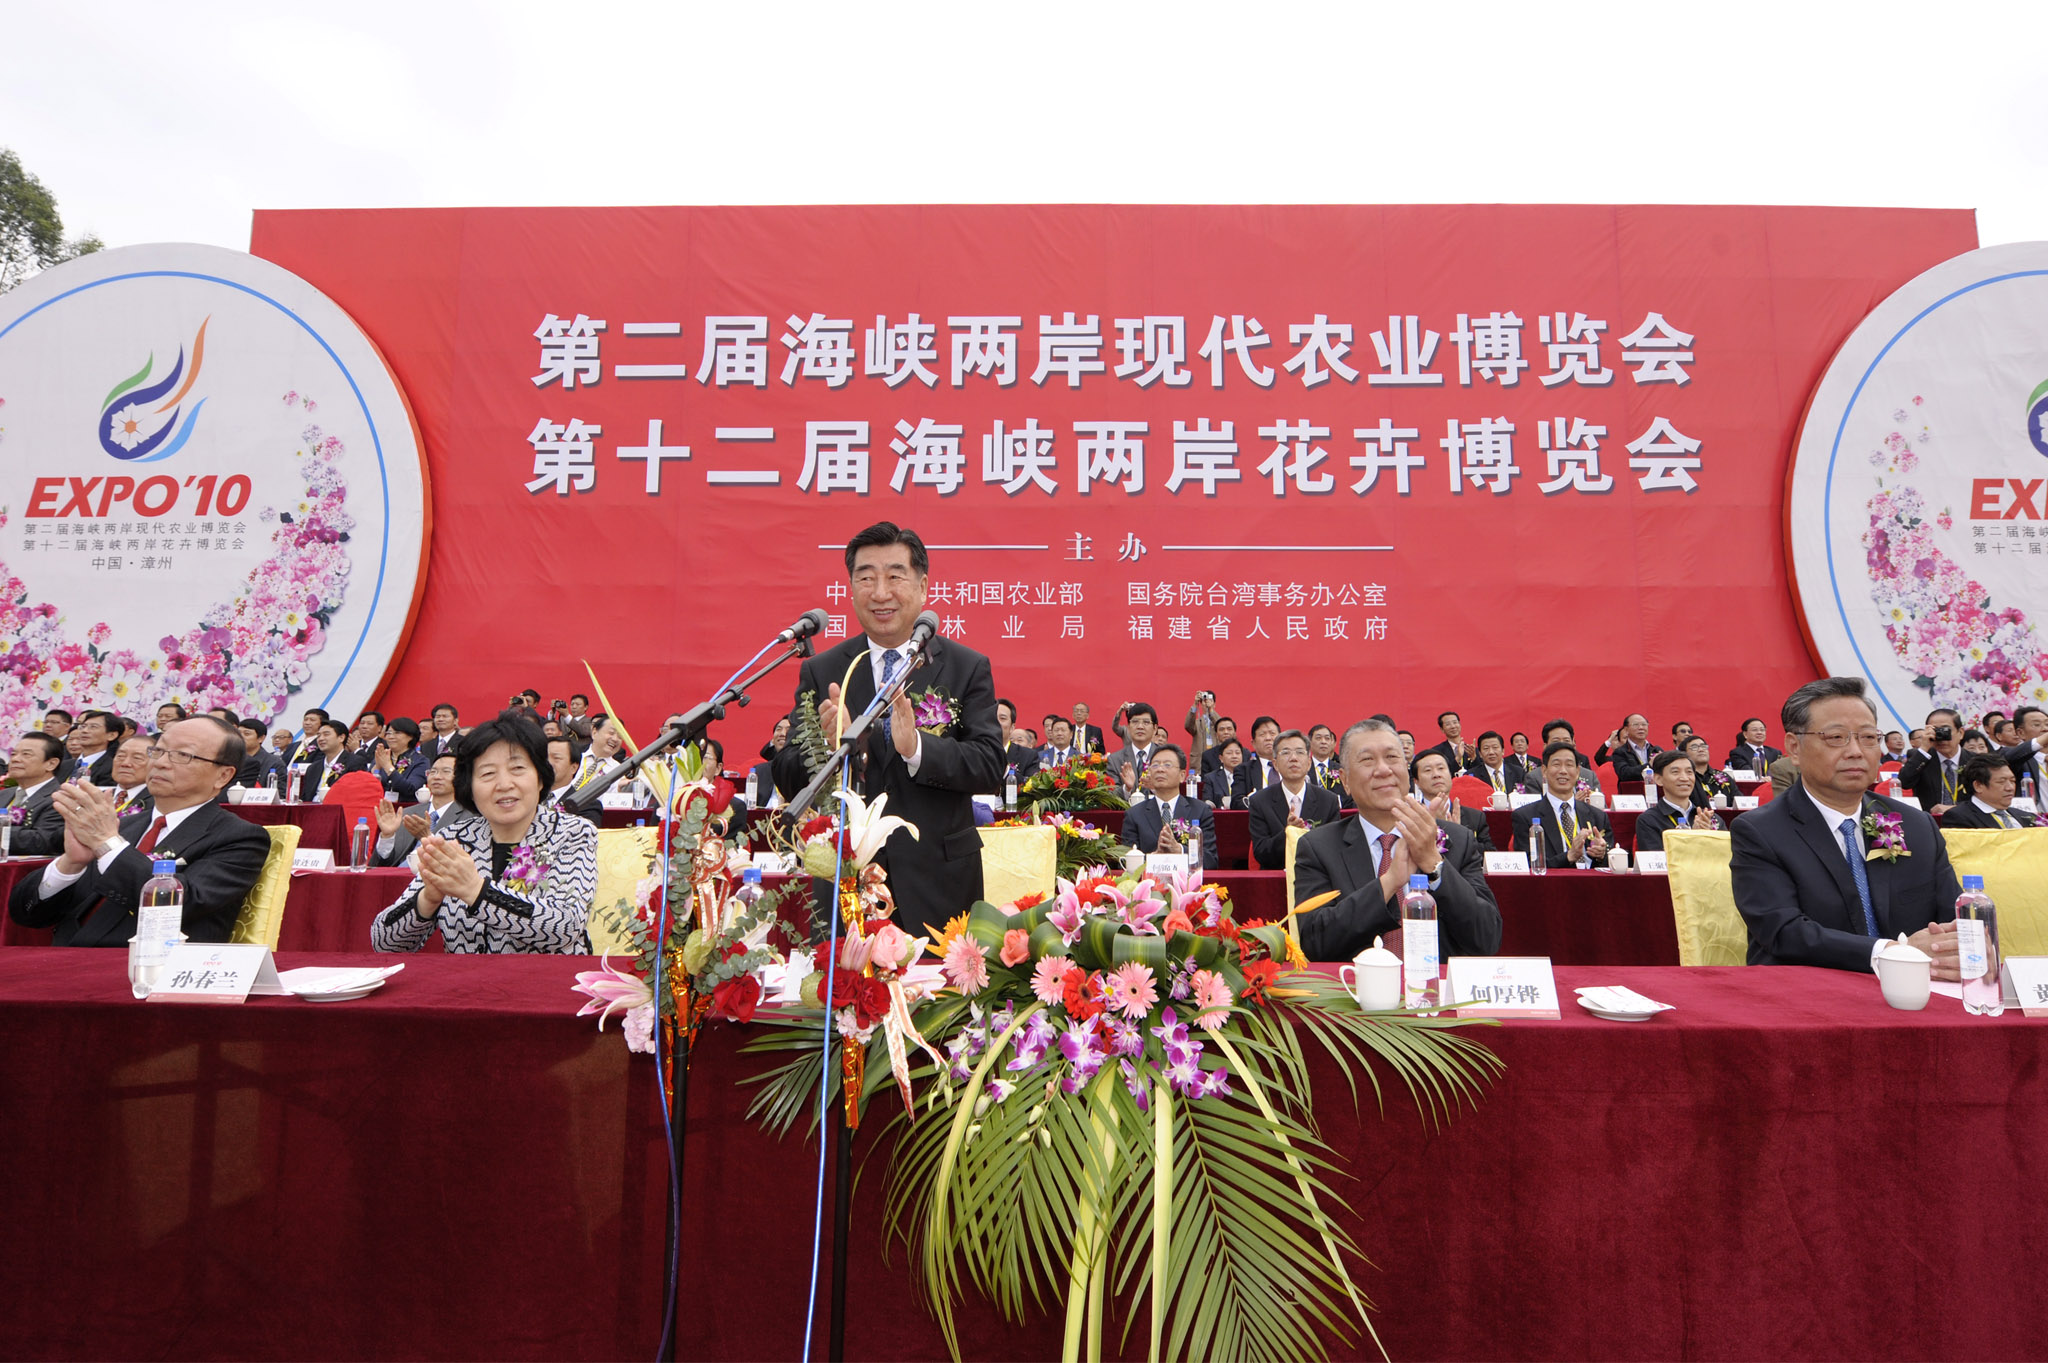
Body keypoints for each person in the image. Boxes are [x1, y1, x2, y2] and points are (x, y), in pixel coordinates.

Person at [771, 522, 1004, 938]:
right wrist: (825, 745)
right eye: (866, 578)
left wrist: (917, 748)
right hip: (845, 884)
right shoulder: (823, 669)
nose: (880, 593)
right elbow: (787, 774)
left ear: (923, 586)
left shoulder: (966, 666)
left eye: (895, 576)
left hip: (939, 884)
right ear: (851, 588)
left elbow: (989, 765)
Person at [1732, 677, 1961, 976]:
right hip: (1808, 991)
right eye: (1836, 737)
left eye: (1868, 737)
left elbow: (1954, 919)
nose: (1856, 751)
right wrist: (1893, 953)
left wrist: (1966, 945)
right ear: (1794, 748)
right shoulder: (1760, 831)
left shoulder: (1917, 825)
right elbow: (1784, 932)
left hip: (1913, 991)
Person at [9, 717, 272, 947]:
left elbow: (181, 904)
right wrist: (70, 864)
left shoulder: (239, 837)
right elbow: (27, 915)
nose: (161, 763)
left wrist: (107, 844)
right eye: (158, 751)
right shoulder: (123, 826)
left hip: (147, 969)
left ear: (223, 775)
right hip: (64, 960)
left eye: (183, 755)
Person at [370, 712, 598, 953]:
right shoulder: (452, 838)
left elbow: (566, 926)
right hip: (466, 977)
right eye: (488, 774)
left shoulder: (573, 832)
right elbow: (383, 943)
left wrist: (476, 891)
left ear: (541, 778)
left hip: (547, 976)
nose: (504, 784)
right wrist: (428, 899)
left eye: (517, 769)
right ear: (469, 787)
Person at [1293, 718, 1500, 962]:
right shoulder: (1319, 847)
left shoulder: (1457, 839)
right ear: (1345, 781)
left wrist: (1434, 865)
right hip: (1358, 983)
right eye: (1367, 760)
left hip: (1438, 983)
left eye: (1392, 757)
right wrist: (1389, 883)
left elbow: (1487, 939)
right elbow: (1315, 943)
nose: (1383, 770)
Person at [1248, 729, 1343, 869]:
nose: (1293, 758)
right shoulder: (1259, 801)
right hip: (1277, 875)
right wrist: (1288, 833)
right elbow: (1261, 853)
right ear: (1275, 764)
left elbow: (1333, 849)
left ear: (1309, 763)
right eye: (1286, 752)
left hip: (1316, 875)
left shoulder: (1328, 801)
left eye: (1299, 752)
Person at [1510, 741, 1614, 869]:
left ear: (1577, 771)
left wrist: (1601, 855)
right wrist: (1568, 856)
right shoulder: (1526, 817)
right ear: (1544, 771)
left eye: (1569, 765)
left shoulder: (1598, 816)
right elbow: (1527, 863)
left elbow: (1611, 861)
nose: (1563, 771)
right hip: (1552, 881)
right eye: (1556, 764)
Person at [1120, 745, 1220, 869]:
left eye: (1167, 765)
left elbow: (1211, 861)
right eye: (1155, 765)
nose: (1160, 769)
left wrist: (1179, 850)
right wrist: (1155, 858)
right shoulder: (1134, 814)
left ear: (1182, 775)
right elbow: (1125, 862)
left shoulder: (1200, 811)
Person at [372, 751, 461, 868]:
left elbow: (459, 865)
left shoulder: (470, 817)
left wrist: (428, 837)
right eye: (433, 772)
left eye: (446, 772)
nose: (437, 777)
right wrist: (387, 836)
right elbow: (381, 865)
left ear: (462, 777)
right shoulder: (407, 814)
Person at [1633, 750, 1723, 853]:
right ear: (1658, 779)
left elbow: (1725, 855)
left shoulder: (1709, 817)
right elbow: (1657, 860)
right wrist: (1694, 837)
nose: (1684, 778)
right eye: (1675, 772)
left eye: (1689, 772)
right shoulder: (1649, 820)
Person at [1409, 750, 1493, 851]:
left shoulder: (1475, 818)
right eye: (1428, 770)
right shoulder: (1410, 817)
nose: (1436, 774)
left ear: (1450, 774)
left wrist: (1457, 833)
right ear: (1416, 781)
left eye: (1441, 768)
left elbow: (1488, 854)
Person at [2, 732, 69, 857]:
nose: (15, 759)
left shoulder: (60, 798)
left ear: (51, 764)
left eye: (26, 754)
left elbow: (43, 840)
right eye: (13, 754)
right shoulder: (4, 794)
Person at [1897, 707, 1967, 816]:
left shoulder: (1974, 760)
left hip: (1966, 821)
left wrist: (1955, 809)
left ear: (1961, 733)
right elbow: (1904, 782)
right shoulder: (1922, 757)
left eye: (1945, 730)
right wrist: (1924, 748)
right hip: (1929, 820)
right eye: (1936, 731)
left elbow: (1986, 799)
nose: (1941, 737)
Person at [1939, 754, 2037, 829]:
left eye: (2012, 781)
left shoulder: (2026, 816)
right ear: (1978, 786)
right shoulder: (1959, 817)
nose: (2010, 787)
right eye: (2001, 782)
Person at [1105, 703, 1164, 790]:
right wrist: (1126, 789)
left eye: (1146, 722)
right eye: (1135, 722)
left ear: (1155, 729)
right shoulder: (1115, 760)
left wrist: (1155, 788)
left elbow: (1173, 790)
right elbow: (1111, 794)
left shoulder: (1165, 756)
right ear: (1128, 727)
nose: (1140, 727)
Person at [372, 717, 429, 803]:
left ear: (410, 736)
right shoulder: (383, 756)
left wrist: (388, 767)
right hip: (379, 805)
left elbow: (411, 789)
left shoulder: (420, 761)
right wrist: (377, 767)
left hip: (405, 808)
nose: (391, 737)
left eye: (397, 733)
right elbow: (366, 785)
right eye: (388, 733)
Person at [1595, 713, 1660, 785]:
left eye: (1644, 724)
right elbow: (1625, 774)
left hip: (1655, 790)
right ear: (1626, 729)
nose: (1641, 727)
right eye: (1636, 725)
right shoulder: (1620, 752)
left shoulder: (1656, 750)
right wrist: (1649, 766)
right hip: (1633, 791)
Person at [296, 719, 351, 802]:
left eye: (326, 734)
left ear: (341, 738)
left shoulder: (353, 762)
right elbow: (305, 799)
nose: (320, 739)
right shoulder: (313, 768)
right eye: (318, 735)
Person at [1999, 705, 2048, 795]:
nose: (2045, 729)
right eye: (2037, 725)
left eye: (2047, 724)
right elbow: (2009, 758)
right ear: (2021, 733)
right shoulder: (2017, 757)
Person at [106, 734, 157, 820]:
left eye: (137, 758)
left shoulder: (157, 803)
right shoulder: (98, 797)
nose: (125, 763)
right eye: (120, 756)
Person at [1681, 734, 1739, 808]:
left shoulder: (1723, 777)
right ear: (1684, 754)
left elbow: (1738, 802)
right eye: (1694, 747)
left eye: (1703, 746)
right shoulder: (1684, 779)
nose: (1701, 750)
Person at [994, 699, 1041, 790]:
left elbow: (1032, 788)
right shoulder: (975, 751)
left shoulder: (1028, 755)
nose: (996, 722)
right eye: (993, 718)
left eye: (1002, 718)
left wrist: (1006, 771)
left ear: (1012, 727)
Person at [1233, 715, 1282, 799]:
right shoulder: (1244, 770)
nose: (1268, 738)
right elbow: (1236, 801)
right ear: (1253, 743)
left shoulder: (1291, 765)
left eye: (1272, 733)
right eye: (1262, 734)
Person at [69, 710, 119, 786]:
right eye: (83, 726)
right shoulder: (64, 765)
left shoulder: (112, 768)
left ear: (111, 735)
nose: (84, 731)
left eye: (93, 727)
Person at [1465, 731, 1518, 801]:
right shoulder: (1472, 776)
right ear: (1480, 753)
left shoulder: (1518, 772)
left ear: (1503, 751)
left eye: (1495, 747)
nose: (1491, 752)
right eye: (1486, 748)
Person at [235, 720, 281, 791]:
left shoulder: (274, 763)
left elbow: (280, 793)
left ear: (261, 738)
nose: (240, 737)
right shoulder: (229, 759)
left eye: (246, 734)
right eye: (238, 733)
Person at [1201, 738, 1246, 808]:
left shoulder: (1249, 776)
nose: (1234, 756)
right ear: (1221, 758)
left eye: (1237, 753)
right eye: (1229, 753)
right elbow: (1207, 802)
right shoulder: (1211, 778)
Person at [1307, 724, 1343, 792]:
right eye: (1318, 738)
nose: (1323, 742)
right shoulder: (1304, 769)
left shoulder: (1341, 769)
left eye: (1327, 738)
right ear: (1309, 742)